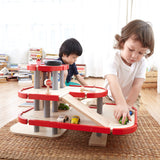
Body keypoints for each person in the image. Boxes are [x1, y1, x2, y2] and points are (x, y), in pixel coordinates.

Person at [104, 19, 154, 124]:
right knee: (101, 113)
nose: (134, 56)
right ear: (122, 43)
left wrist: (127, 105)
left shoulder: (142, 62)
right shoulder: (113, 58)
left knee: (128, 119)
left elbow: (137, 86)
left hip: (130, 98)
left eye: (141, 52)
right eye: (131, 50)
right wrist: (120, 104)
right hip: (109, 95)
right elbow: (113, 82)